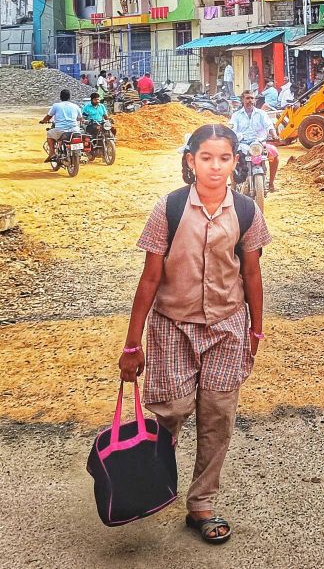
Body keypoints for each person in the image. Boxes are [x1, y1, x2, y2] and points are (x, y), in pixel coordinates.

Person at [118, 124, 269, 545]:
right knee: (171, 411)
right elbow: (149, 279)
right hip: (172, 327)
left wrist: (256, 328)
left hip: (227, 327)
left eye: (224, 158)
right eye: (206, 158)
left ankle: (202, 502)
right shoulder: (168, 208)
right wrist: (133, 344)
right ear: (191, 161)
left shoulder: (246, 211)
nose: (215, 167)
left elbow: (252, 273)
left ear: (236, 163)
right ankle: (154, 486)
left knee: (218, 414)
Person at [229, 90, 279, 192]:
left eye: (252, 98)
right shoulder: (236, 115)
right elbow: (232, 129)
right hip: (242, 144)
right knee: (231, 158)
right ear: (243, 100)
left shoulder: (261, 114)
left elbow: (269, 126)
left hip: (258, 144)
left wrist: (274, 135)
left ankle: (271, 183)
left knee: (274, 154)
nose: (250, 100)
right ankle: (233, 184)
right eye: (247, 98)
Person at [39, 88, 83, 162]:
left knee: (49, 134)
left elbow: (49, 116)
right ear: (69, 97)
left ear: (60, 97)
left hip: (61, 130)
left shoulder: (56, 105)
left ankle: (52, 153)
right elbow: (80, 118)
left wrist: (43, 121)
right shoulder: (75, 106)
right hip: (75, 130)